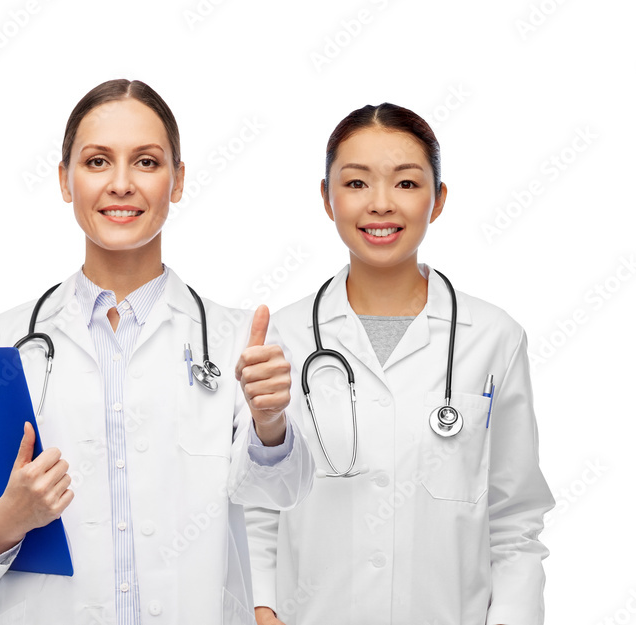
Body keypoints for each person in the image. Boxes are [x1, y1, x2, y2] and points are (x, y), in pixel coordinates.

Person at [0, 79, 314, 624]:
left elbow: (281, 490)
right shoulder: (2, 347)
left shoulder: (238, 340)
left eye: (146, 162)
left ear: (178, 180)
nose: (121, 184)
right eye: (97, 162)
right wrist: (8, 518)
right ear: (65, 180)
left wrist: (270, 423)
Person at [247, 103, 554, 625]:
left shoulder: (494, 338)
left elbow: (514, 519)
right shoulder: (283, 338)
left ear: (438, 201)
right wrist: (261, 607)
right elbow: (257, 504)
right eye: (357, 183)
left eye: (407, 184)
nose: (382, 205)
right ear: (327, 198)